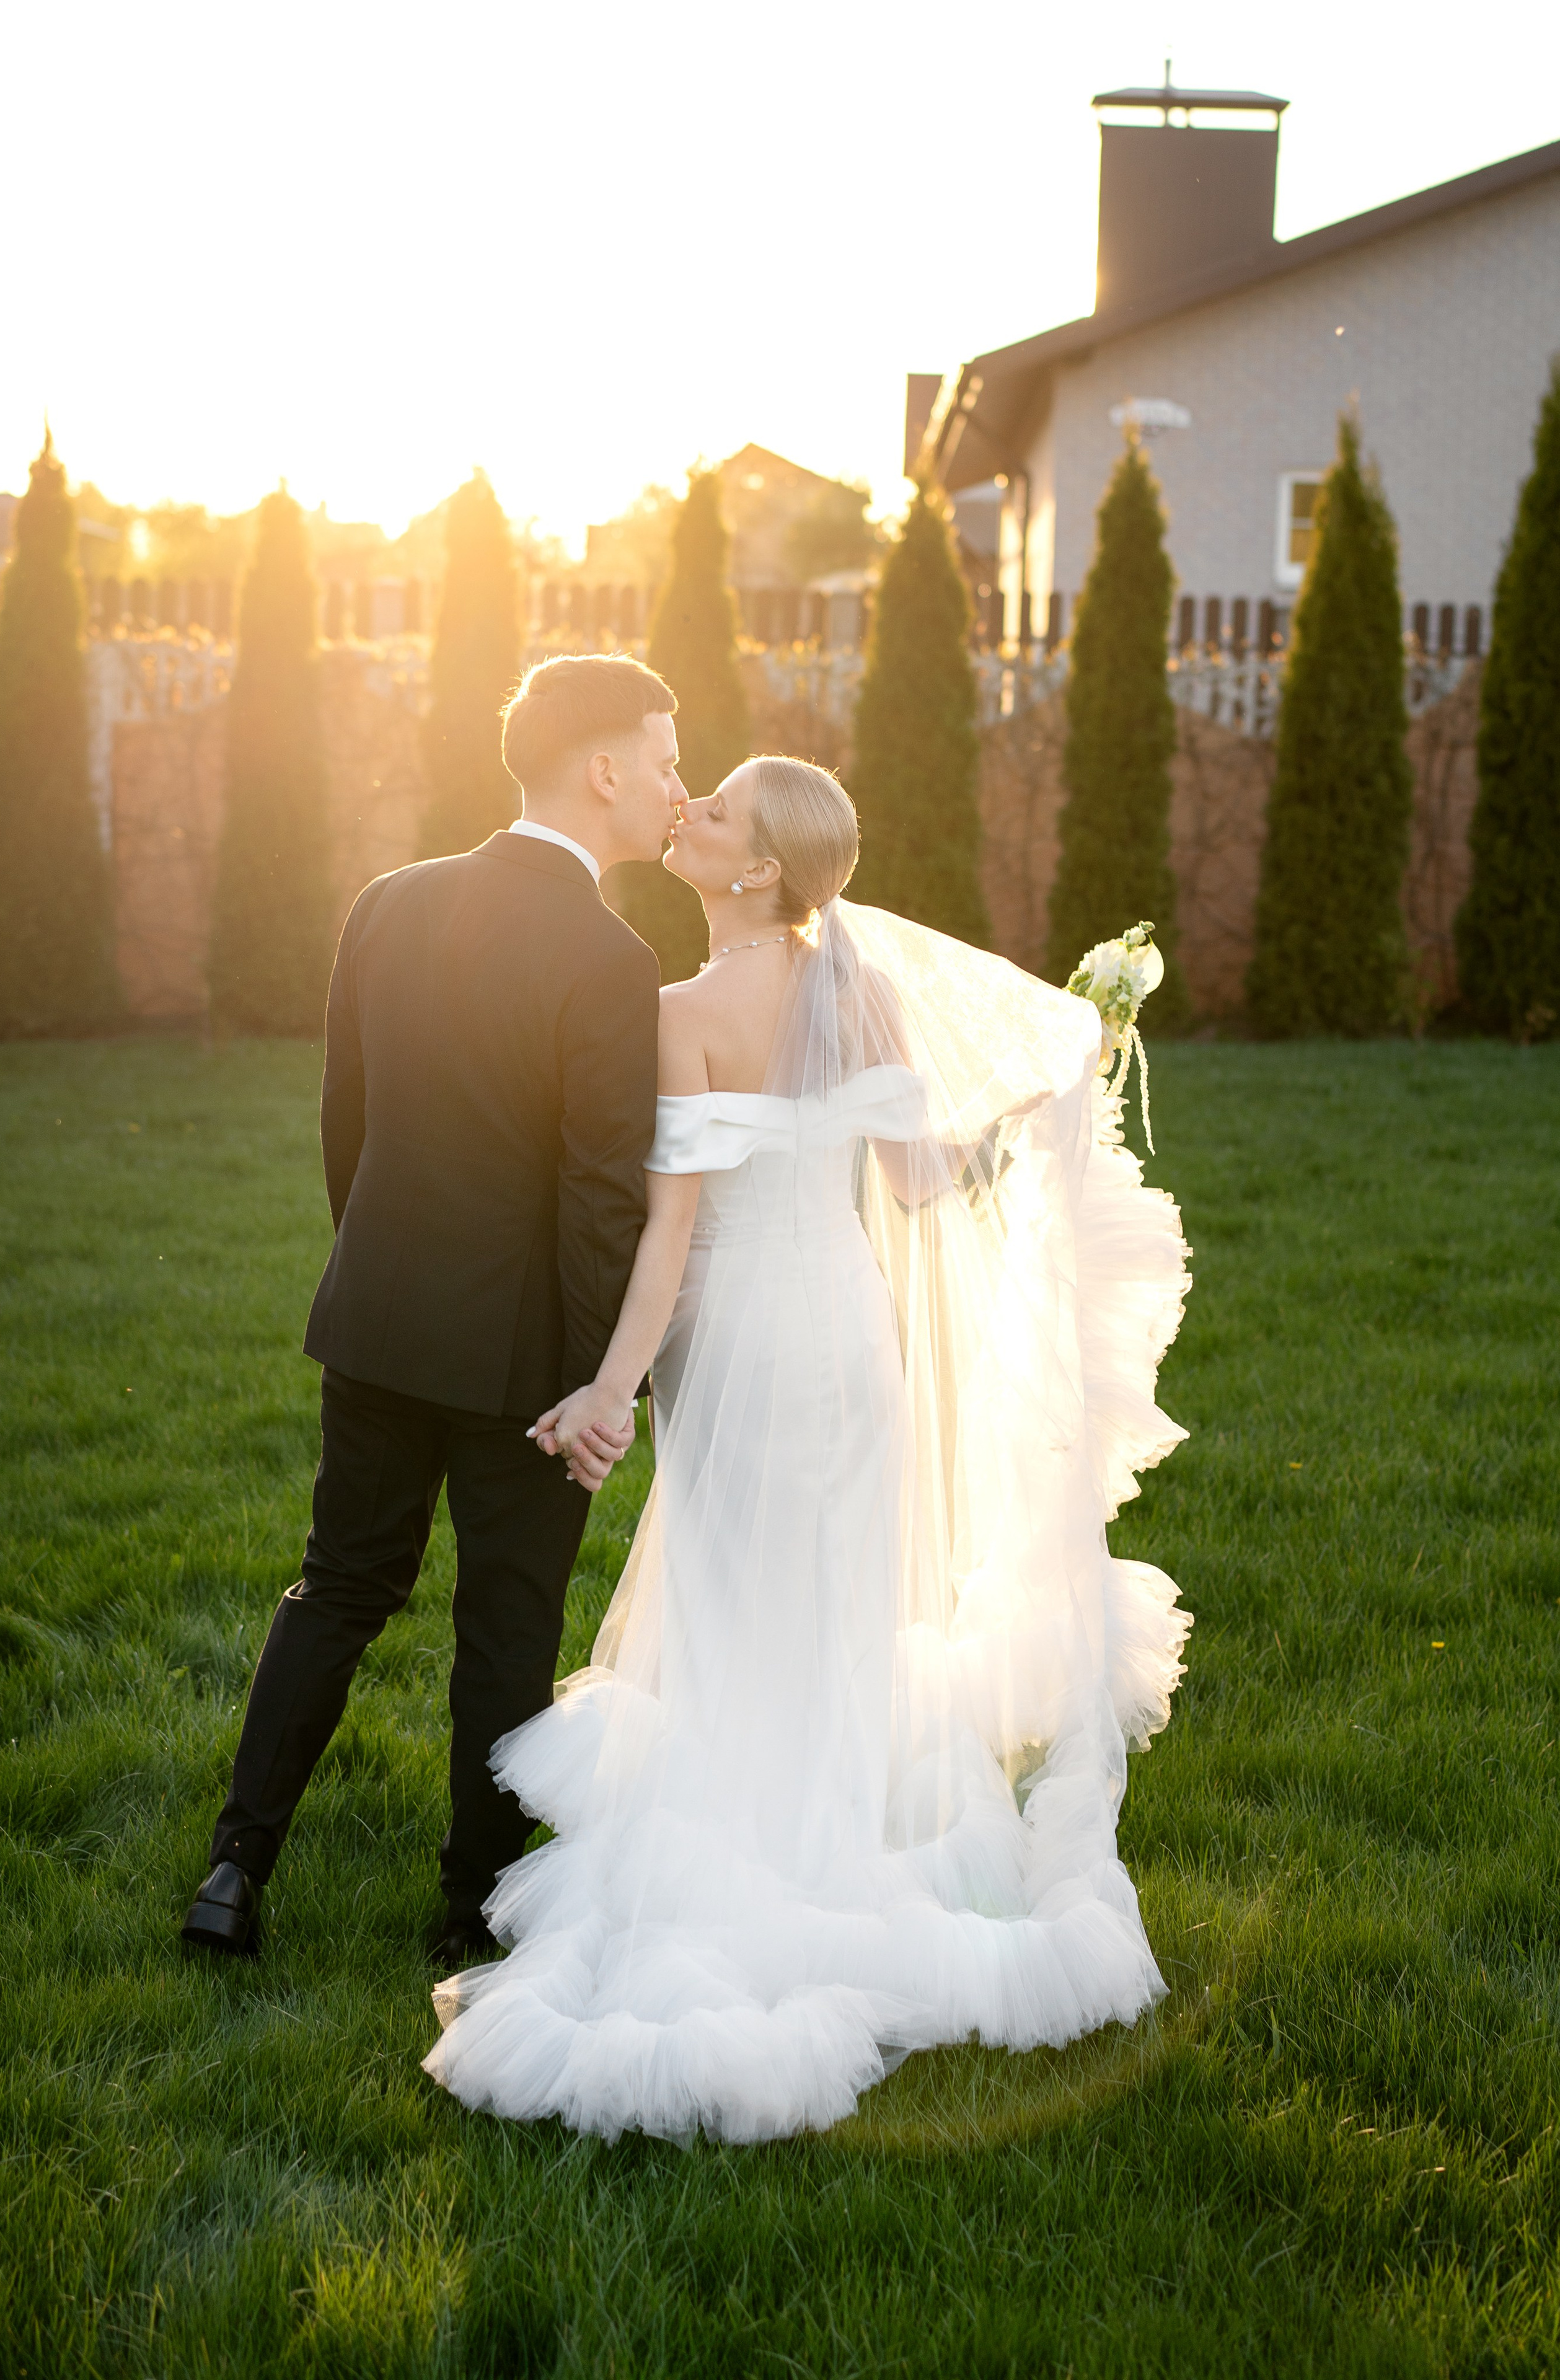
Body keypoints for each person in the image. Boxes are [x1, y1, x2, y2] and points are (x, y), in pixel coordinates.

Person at [423, 755, 1194, 2142]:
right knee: (839, 1603)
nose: (691, 814)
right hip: (849, 1336)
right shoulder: (865, 996)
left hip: (742, 1344)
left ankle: (750, 1861)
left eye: (715, 810)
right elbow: (920, 1181)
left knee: (732, 1608)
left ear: (759, 869)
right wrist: (1027, 1118)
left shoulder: (681, 1013)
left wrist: (608, 1388)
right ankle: (841, 1838)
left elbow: (669, 1236)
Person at [181, 654, 684, 1971]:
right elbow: (601, 1198)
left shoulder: (387, 902)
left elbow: (345, 1127)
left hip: (379, 1319)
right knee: (505, 1631)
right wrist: (602, 1386)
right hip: (527, 1366)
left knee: (336, 1588)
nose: (677, 785)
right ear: (604, 770)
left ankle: (234, 1868)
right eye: (666, 758)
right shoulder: (610, 957)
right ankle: (474, 1913)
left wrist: (383, 1278)